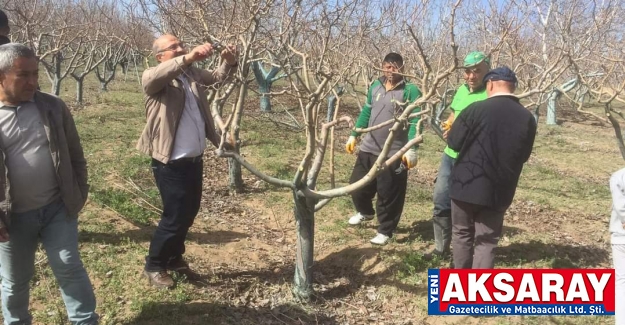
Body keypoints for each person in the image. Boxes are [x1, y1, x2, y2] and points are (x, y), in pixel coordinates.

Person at [0, 43, 98, 324]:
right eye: (23, 75)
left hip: (57, 207)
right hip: (12, 217)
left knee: (69, 266)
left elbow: (75, 153)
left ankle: (85, 320)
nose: (33, 81)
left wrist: (78, 192)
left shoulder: (52, 106)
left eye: (35, 73)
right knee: (15, 279)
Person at [137, 34, 238, 288]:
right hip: (169, 161)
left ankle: (174, 259)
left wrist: (228, 61)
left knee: (188, 212)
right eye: (174, 47)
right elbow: (157, 77)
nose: (181, 49)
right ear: (160, 56)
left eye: (181, 45)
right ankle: (154, 265)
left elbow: (216, 79)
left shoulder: (191, 75)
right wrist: (189, 56)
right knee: (174, 215)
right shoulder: (154, 77)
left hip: (193, 159)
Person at [447, 66, 536, 269]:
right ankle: (479, 293)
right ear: (513, 87)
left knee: (462, 234)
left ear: (490, 84)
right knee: (486, 241)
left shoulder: (475, 109)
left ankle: (459, 286)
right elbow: (524, 156)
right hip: (499, 188)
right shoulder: (527, 118)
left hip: (465, 184)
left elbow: (453, 143)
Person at [344, 52, 422, 245]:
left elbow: (416, 120)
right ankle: (365, 212)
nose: (391, 70)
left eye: (395, 67)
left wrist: (412, 147)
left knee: (389, 193)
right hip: (369, 146)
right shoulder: (375, 86)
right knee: (357, 185)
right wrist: (355, 134)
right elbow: (367, 111)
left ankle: (385, 230)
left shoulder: (410, 90)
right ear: (382, 66)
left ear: (403, 68)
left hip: (394, 152)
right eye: (388, 66)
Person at [426, 51, 490, 259]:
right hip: (450, 154)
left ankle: (465, 252)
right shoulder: (462, 90)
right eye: (468, 72)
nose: (471, 76)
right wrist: (450, 123)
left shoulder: (490, 95)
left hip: (471, 158)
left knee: (466, 206)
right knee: (441, 198)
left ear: (487, 71)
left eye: (477, 71)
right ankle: (440, 247)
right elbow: (454, 112)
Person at [609, 168, 625, 325]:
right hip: (620, 237)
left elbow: (620, 207)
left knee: (621, 282)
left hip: (620, 236)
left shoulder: (618, 176)